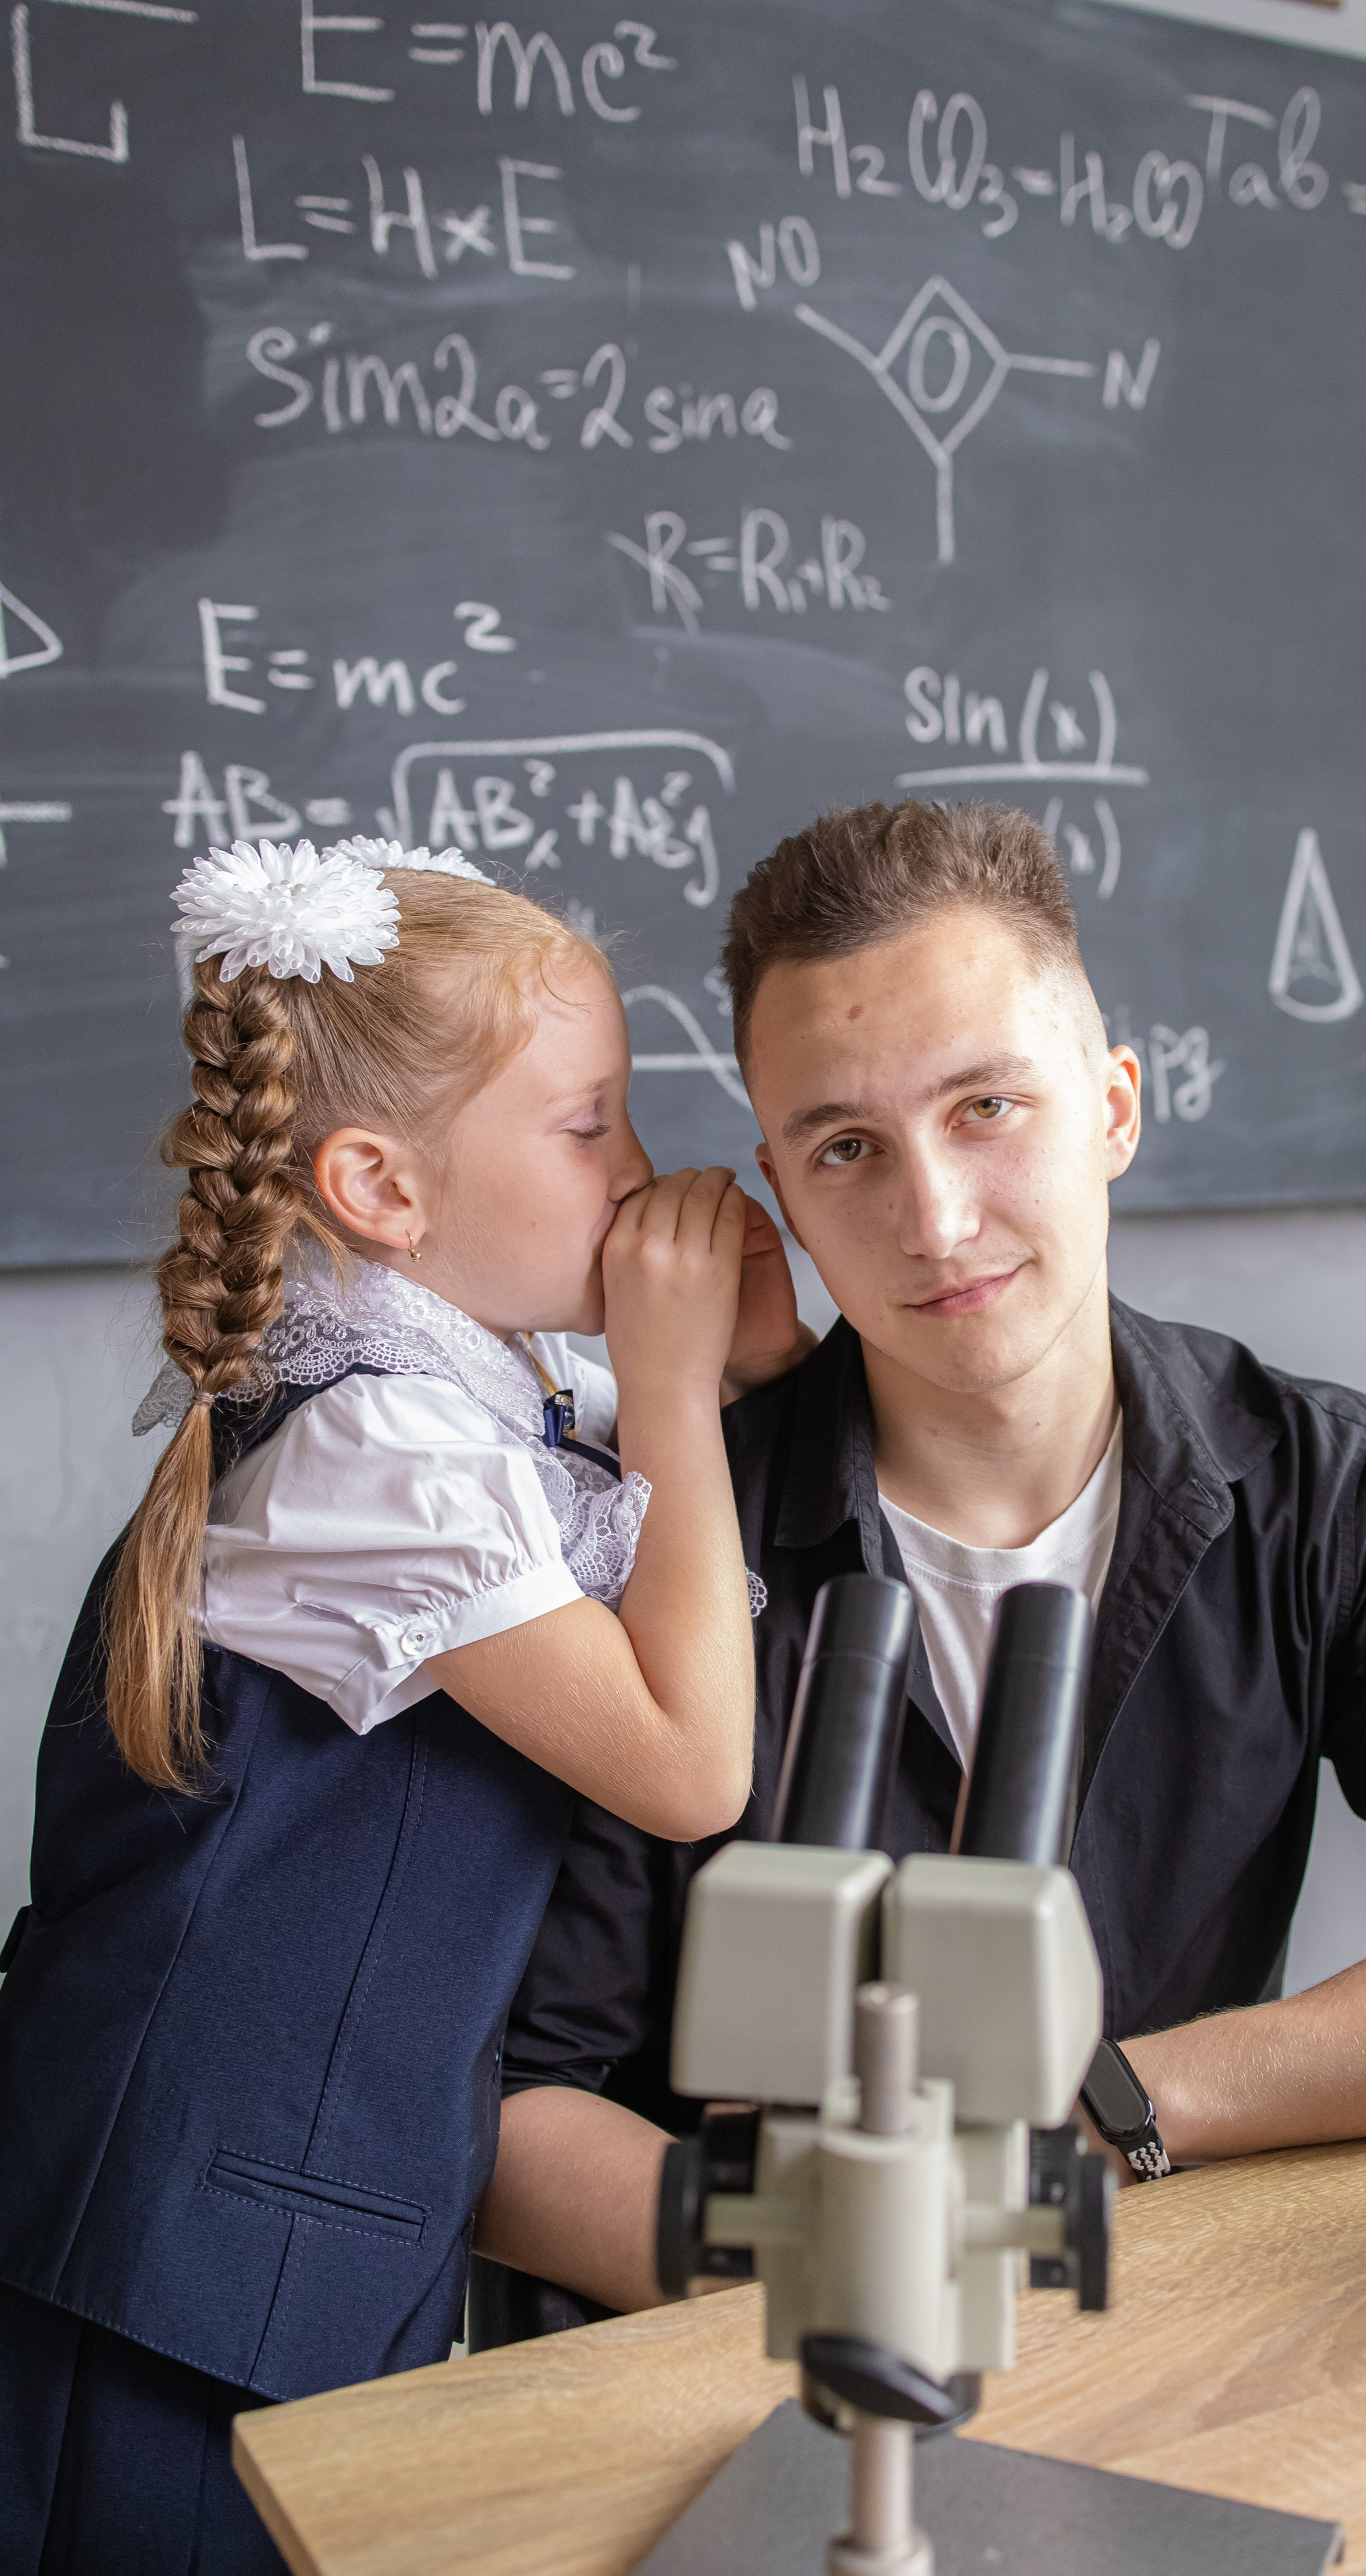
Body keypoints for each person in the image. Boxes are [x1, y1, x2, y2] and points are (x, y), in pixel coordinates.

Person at [479, 798, 1366, 2321]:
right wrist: (850, 2260)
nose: (935, 1218)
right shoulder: (657, 1532)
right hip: (729, 2353)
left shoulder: (1317, 1480)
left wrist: (1100, 2109)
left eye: (985, 1109)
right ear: (783, 1196)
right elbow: (499, 2112)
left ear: (1110, 1107)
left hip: (1152, 2311)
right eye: (846, 1149)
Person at [0, 836, 806, 2573]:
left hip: (275, 2255)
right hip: (177, 2276)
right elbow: (687, 1762)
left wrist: (732, 1372)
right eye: (590, 1126)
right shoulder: (381, 1450)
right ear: (382, 1187)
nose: (641, 1171)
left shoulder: (458, 1412)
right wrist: (672, 1380)